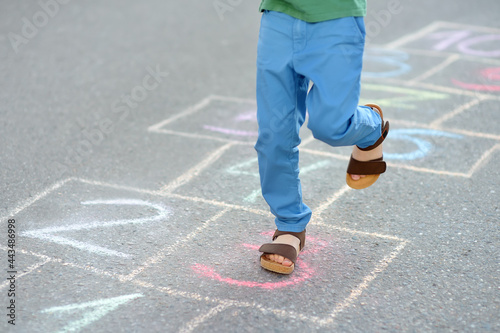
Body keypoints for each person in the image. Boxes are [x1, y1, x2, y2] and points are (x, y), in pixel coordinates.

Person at [255, 0, 390, 274]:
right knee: (273, 133)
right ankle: (290, 225)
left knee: (332, 126)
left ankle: (370, 125)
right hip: (279, 16)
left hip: (336, 20)